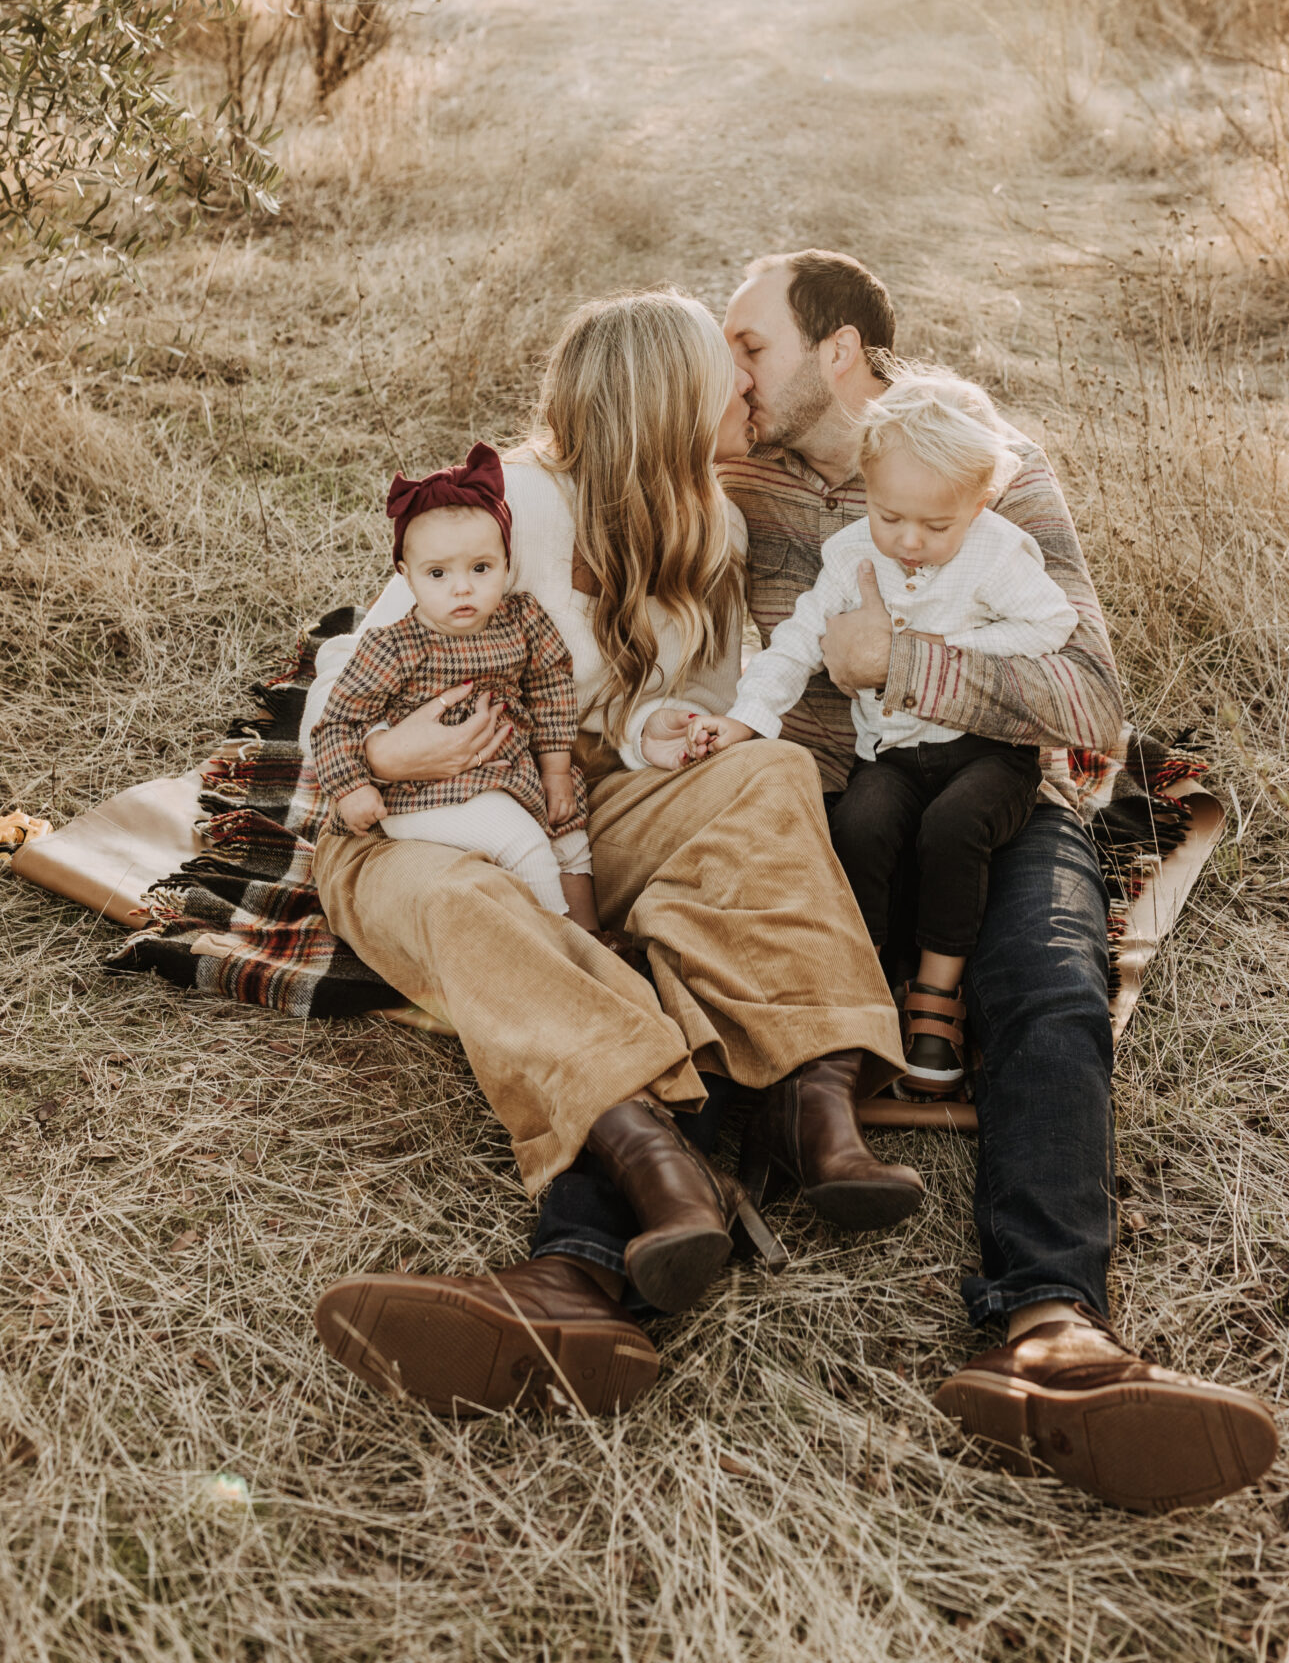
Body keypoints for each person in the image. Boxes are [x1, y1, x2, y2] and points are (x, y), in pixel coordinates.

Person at [721, 249, 1280, 1515]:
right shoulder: (722, 461)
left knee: (1049, 979)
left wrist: (906, 661)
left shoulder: (988, 467)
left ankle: (1048, 1328)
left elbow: (1090, 700)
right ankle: (589, 1273)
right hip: (807, 807)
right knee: (697, 955)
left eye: (749, 344)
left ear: (841, 352)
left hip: (995, 790)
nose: (729, 369)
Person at [303, 290, 921, 1415]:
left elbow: (670, 707)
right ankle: (657, 1158)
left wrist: (670, 728)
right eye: (723, 373)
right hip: (404, 816)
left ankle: (809, 1094)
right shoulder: (511, 509)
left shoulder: (705, 522)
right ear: (662, 406)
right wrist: (388, 755)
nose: (746, 385)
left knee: (764, 776)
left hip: (574, 797)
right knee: (471, 903)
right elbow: (335, 718)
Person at [698, 370, 1077, 1096]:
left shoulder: (995, 551)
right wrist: (747, 719)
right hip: (892, 753)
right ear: (866, 486)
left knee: (952, 830)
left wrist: (930, 654)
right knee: (862, 825)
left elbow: (1051, 625)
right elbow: (798, 641)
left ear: (978, 502)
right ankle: (863, 986)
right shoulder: (850, 555)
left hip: (986, 753)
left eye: (936, 527)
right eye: (887, 516)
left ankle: (936, 1002)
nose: (908, 542)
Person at [307, 441, 600, 929]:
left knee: (568, 826)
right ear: (407, 576)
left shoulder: (522, 620)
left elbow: (553, 689)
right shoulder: (395, 646)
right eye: (438, 574)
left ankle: (591, 933)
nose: (462, 588)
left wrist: (555, 770)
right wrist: (353, 786)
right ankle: (564, 949)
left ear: (506, 561)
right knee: (522, 842)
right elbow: (337, 723)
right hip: (424, 790)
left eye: (480, 568)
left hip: (508, 772)